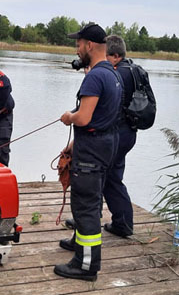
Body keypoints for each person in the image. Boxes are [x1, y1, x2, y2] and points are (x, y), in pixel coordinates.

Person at [54, 23, 122, 281]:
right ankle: (80, 246)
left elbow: (83, 117)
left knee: (85, 207)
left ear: (89, 45)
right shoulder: (113, 73)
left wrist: (68, 117)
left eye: (79, 43)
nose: (77, 48)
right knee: (88, 202)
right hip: (104, 145)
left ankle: (86, 266)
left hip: (92, 152)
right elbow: (104, 115)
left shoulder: (94, 76)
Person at [102, 35, 137, 237]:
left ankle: (122, 224)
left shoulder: (117, 74)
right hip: (129, 132)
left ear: (115, 56)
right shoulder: (134, 69)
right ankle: (122, 222)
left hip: (117, 132)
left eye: (105, 55)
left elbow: (106, 105)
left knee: (107, 178)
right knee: (114, 175)